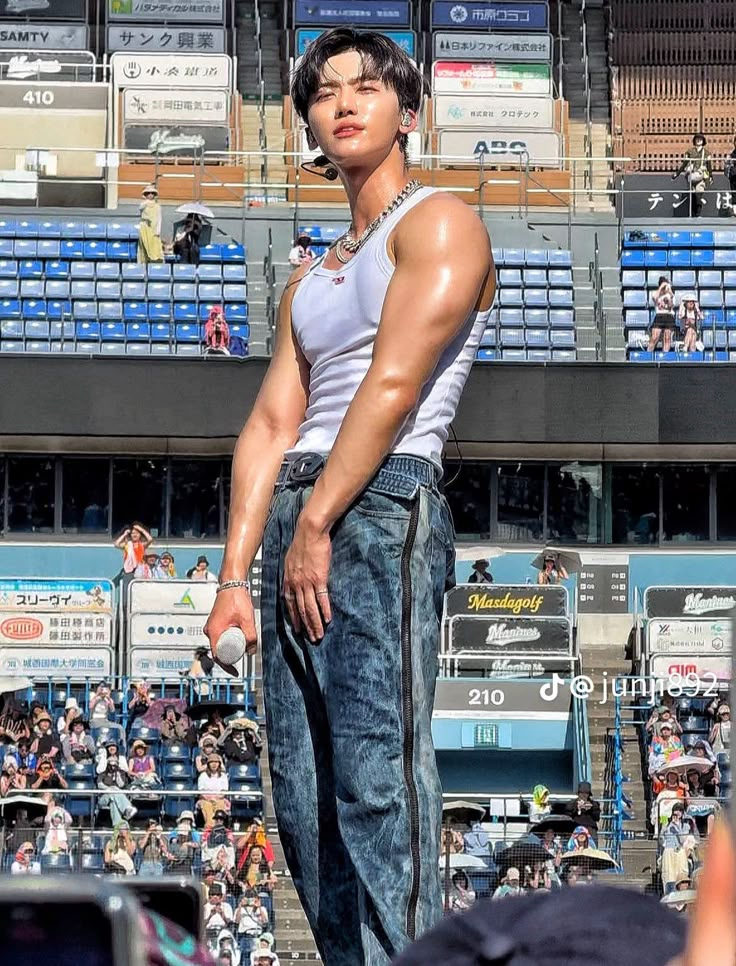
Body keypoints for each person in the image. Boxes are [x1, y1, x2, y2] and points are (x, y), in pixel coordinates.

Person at [204, 27, 495, 963]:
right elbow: (267, 426)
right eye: (325, 93)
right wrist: (231, 578)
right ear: (307, 131)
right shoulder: (311, 276)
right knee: (302, 791)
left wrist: (320, 519)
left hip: (377, 499)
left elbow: (392, 386)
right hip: (302, 500)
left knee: (376, 776)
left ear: (406, 111)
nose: (344, 102)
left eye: (367, 86)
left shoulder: (440, 221)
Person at [673, 133, 713, 217]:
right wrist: (677, 173)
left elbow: (709, 165)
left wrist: (711, 176)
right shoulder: (690, 151)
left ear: (703, 141)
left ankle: (698, 214)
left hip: (701, 176)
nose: (698, 140)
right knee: (692, 196)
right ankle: (693, 214)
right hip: (691, 176)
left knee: (699, 194)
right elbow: (684, 164)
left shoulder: (707, 153)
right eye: (697, 139)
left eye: (700, 139)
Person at [97, 740, 137, 824]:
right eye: (110, 747)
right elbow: (100, 784)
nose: (112, 748)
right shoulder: (103, 764)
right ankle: (127, 808)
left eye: (114, 746)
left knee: (113, 802)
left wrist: (117, 770)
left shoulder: (121, 762)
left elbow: (121, 784)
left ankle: (117, 825)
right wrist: (110, 788)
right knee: (113, 790)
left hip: (116, 797)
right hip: (104, 797)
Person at [197, 753, 230, 827]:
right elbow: (201, 791)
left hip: (219, 798)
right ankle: (210, 827)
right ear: (208, 764)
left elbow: (224, 791)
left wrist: (216, 798)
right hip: (206, 799)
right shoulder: (203, 776)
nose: (214, 764)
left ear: (219, 764)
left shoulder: (223, 776)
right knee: (207, 806)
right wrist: (209, 798)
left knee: (220, 804)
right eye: (212, 762)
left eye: (216, 762)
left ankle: (219, 826)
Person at [234, 894, 270, 961]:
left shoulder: (262, 909)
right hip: (245, 936)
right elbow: (236, 922)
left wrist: (259, 907)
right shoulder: (240, 910)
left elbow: (265, 922)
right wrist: (240, 906)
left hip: (257, 936)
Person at [648, 277, 676, 354]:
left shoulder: (671, 294)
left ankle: (665, 356)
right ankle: (648, 354)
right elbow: (654, 298)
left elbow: (671, 306)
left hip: (669, 316)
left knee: (667, 338)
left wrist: (669, 293)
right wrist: (661, 288)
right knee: (654, 337)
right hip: (659, 316)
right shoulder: (656, 293)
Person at [138, 184, 164, 264]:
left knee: (155, 247)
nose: (150, 195)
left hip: (154, 230)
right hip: (145, 228)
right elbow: (140, 208)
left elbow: (159, 218)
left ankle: (155, 263)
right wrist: (146, 202)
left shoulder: (158, 206)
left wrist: (158, 230)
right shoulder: (144, 204)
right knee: (144, 246)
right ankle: (143, 263)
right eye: (148, 193)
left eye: (152, 193)